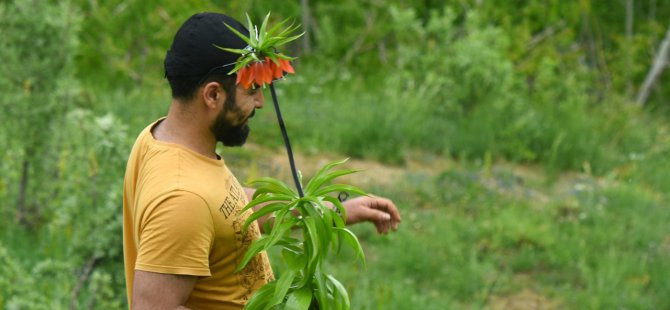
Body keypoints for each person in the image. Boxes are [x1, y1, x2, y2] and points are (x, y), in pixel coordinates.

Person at [122, 12, 402, 309]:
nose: (260, 102)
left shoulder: (162, 139)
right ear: (213, 95)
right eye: (252, 90)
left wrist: (330, 211)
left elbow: (226, 210)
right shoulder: (182, 199)